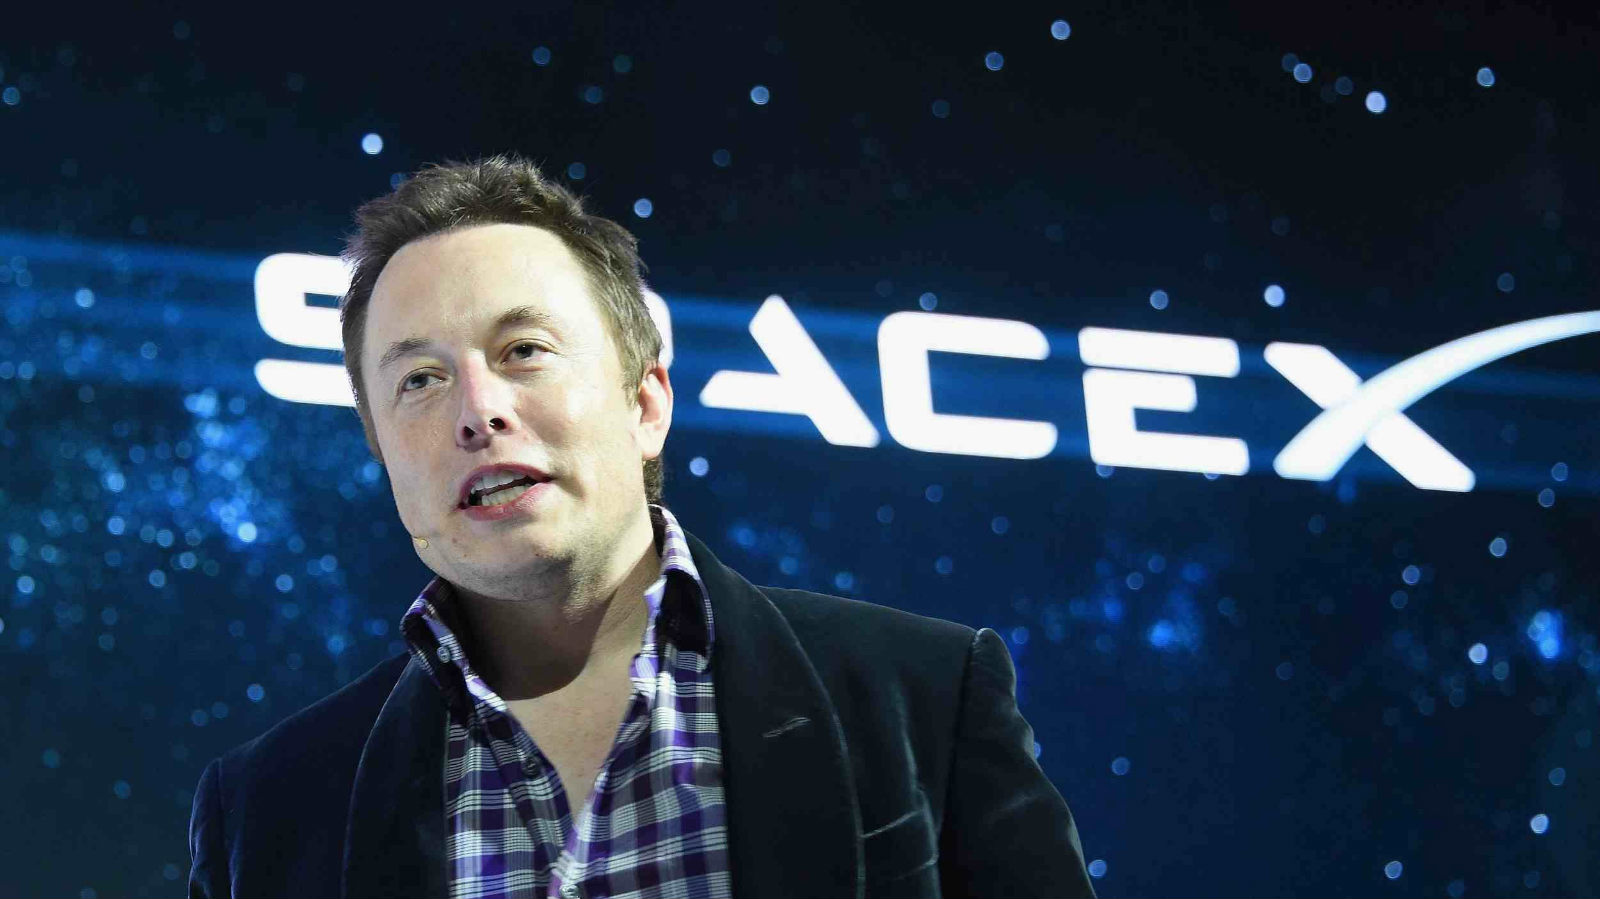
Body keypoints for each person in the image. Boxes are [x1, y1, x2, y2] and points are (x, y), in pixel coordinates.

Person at [186, 155, 1094, 899]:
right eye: (419, 379)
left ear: (646, 401)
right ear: (381, 450)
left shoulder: (924, 698)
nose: (477, 411)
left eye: (524, 351)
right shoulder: (267, 811)